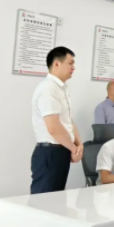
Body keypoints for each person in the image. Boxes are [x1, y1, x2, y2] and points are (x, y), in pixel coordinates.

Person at [31, 47, 83, 194]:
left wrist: (79, 144)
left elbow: (68, 121)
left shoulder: (61, 88)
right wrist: (73, 149)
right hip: (50, 153)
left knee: (56, 200)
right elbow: (53, 127)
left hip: (61, 151)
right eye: (70, 63)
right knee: (43, 202)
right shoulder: (48, 88)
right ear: (56, 64)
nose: (73, 67)